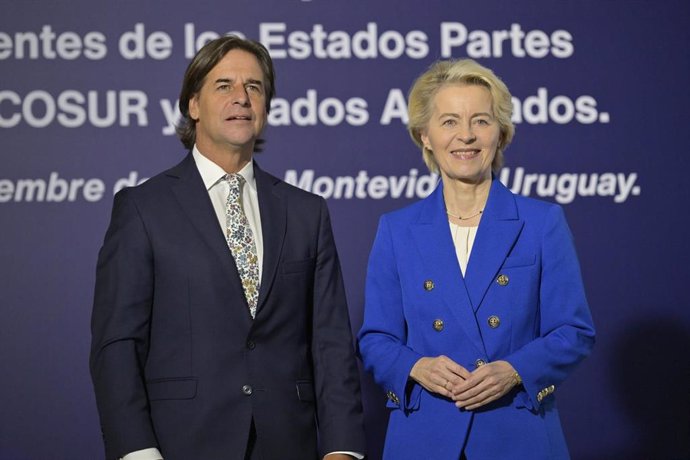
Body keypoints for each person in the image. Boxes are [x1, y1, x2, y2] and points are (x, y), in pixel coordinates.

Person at [90, 36, 366, 460]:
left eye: (254, 87)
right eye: (224, 86)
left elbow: (330, 342)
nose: (242, 98)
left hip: (288, 444)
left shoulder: (306, 211)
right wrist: (136, 451)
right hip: (180, 444)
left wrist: (342, 449)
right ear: (193, 105)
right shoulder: (143, 208)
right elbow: (118, 344)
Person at [357, 59, 595, 460]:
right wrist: (417, 367)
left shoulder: (541, 223)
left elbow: (573, 331)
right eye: (449, 122)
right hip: (425, 437)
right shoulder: (396, 230)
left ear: (501, 134)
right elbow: (376, 339)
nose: (465, 136)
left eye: (480, 121)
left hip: (516, 434)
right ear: (425, 136)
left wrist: (515, 370)